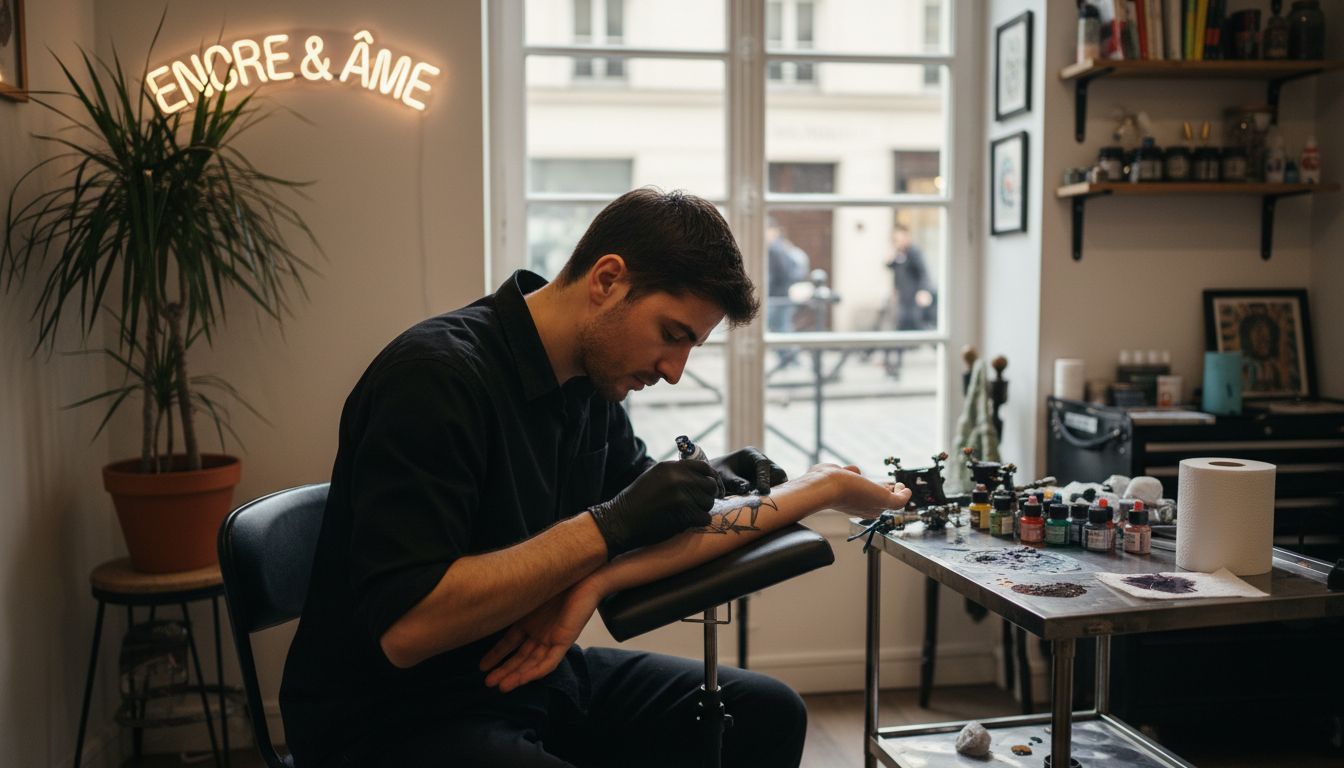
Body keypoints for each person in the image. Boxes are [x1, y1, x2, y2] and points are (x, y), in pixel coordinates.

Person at [280, 187, 911, 767]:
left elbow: (657, 527)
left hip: (526, 673)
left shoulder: (588, 386)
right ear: (607, 280)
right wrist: (607, 528)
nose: (673, 371)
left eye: (691, 347)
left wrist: (817, 485)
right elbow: (409, 629)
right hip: (392, 716)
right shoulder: (436, 379)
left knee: (765, 713)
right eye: (672, 335)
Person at [881, 224, 936, 377]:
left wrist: (923, 291)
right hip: (900, 299)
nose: (898, 240)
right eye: (896, 238)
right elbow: (888, 266)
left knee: (920, 327)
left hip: (912, 299)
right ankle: (893, 366)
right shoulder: (898, 254)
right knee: (898, 331)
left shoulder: (914, 253)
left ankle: (940, 349)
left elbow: (924, 273)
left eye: (901, 237)